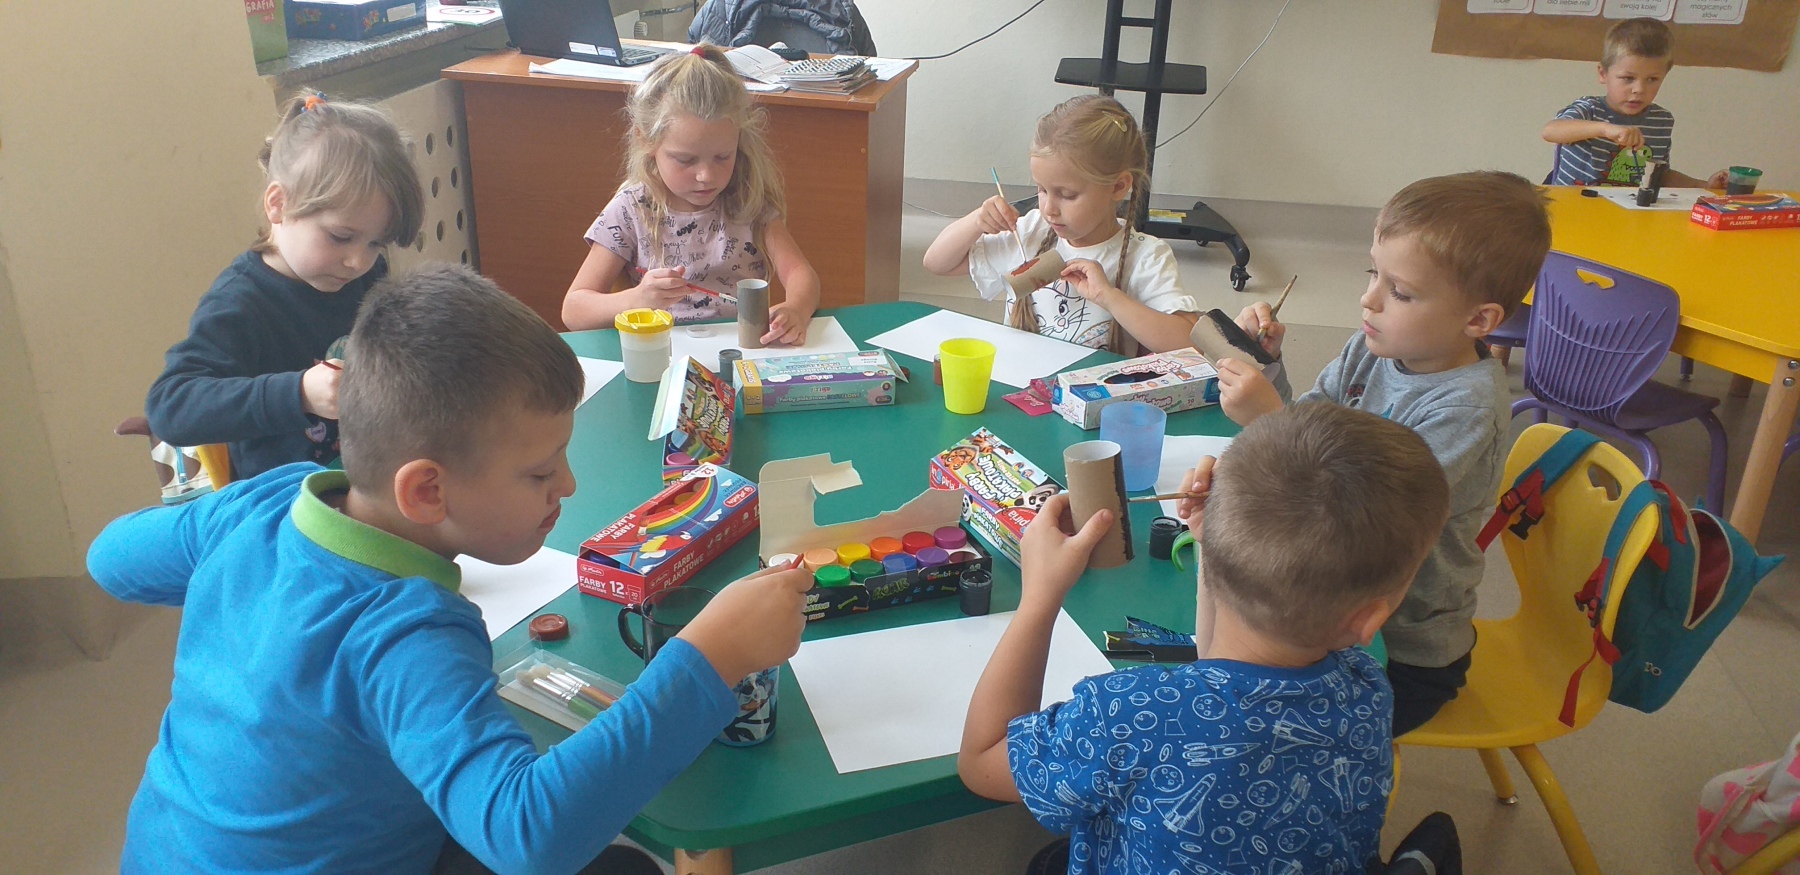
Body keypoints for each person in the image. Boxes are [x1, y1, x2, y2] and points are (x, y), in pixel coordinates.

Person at [90, 264, 814, 874]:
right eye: (540, 473)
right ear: (427, 492)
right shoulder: (407, 635)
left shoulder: (263, 503)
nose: (566, 485)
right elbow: (528, 834)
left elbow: (111, 559)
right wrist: (708, 656)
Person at [958, 403, 1451, 873]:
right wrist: (1210, 545)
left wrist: (1040, 595)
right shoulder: (1366, 686)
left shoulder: (1127, 717)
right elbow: (1219, 672)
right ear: (1369, 619)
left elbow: (982, 764)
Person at [1216, 171, 1551, 736]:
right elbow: (1313, 418)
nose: (1368, 299)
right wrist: (1267, 368)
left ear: (1478, 320)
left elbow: (1363, 519)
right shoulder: (1374, 346)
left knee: (1254, 731)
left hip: (1404, 653)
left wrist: (1269, 419)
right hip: (1328, 610)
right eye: (1373, 273)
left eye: (1401, 292)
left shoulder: (1467, 406)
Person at [145, 94, 424, 480]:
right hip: (284, 501)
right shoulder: (240, 304)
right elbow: (170, 407)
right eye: (341, 237)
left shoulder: (361, 273)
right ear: (278, 204)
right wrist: (300, 393)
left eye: (377, 243)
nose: (359, 261)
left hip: (367, 481)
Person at [562, 44, 820, 343]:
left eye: (723, 157)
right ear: (646, 142)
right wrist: (637, 299)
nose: (706, 176)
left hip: (739, 352)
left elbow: (801, 274)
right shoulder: (632, 208)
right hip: (659, 353)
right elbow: (574, 311)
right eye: (685, 160)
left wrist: (796, 309)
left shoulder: (748, 202)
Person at [922, 95, 1199, 353]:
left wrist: (1109, 297)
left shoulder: (1146, 257)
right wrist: (976, 222)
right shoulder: (1030, 231)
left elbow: (1189, 344)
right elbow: (937, 263)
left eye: (1067, 195)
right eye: (1042, 190)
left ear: (1118, 186)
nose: (1048, 209)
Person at [1542, 17, 1726, 189]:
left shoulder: (1661, 120)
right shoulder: (1589, 109)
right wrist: (1604, 129)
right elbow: (1550, 131)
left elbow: (1659, 175)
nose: (1639, 89)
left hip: (1626, 210)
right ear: (1603, 74)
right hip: (1574, 206)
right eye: (1628, 78)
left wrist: (1704, 185)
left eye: (1652, 79)